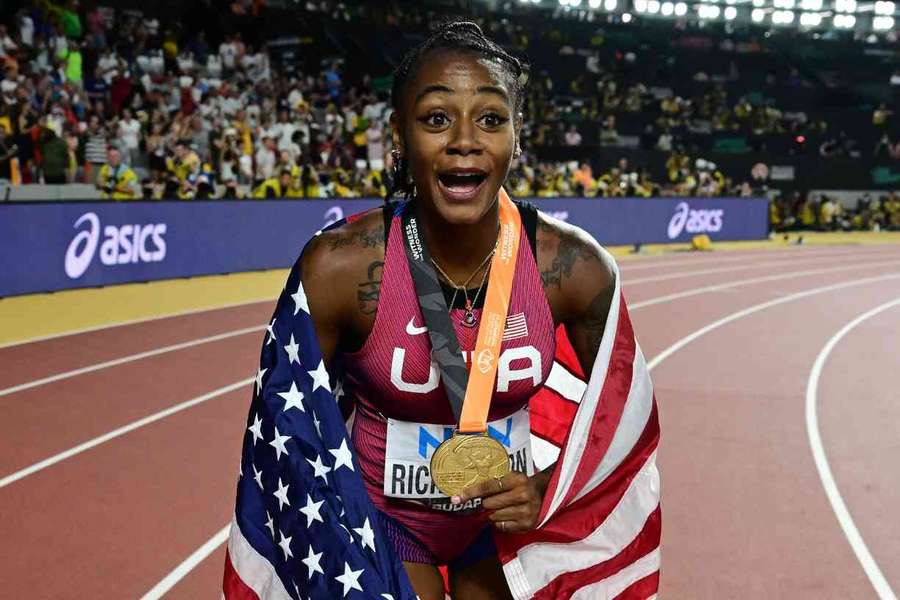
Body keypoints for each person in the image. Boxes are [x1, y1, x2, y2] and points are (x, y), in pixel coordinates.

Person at [294, 22, 636, 599]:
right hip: (383, 522)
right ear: (399, 137)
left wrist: (549, 487)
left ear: (516, 137)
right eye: (435, 118)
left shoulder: (573, 268)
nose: (464, 140)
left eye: (491, 118)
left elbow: (625, 417)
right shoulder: (340, 268)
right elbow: (293, 425)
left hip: (508, 525)